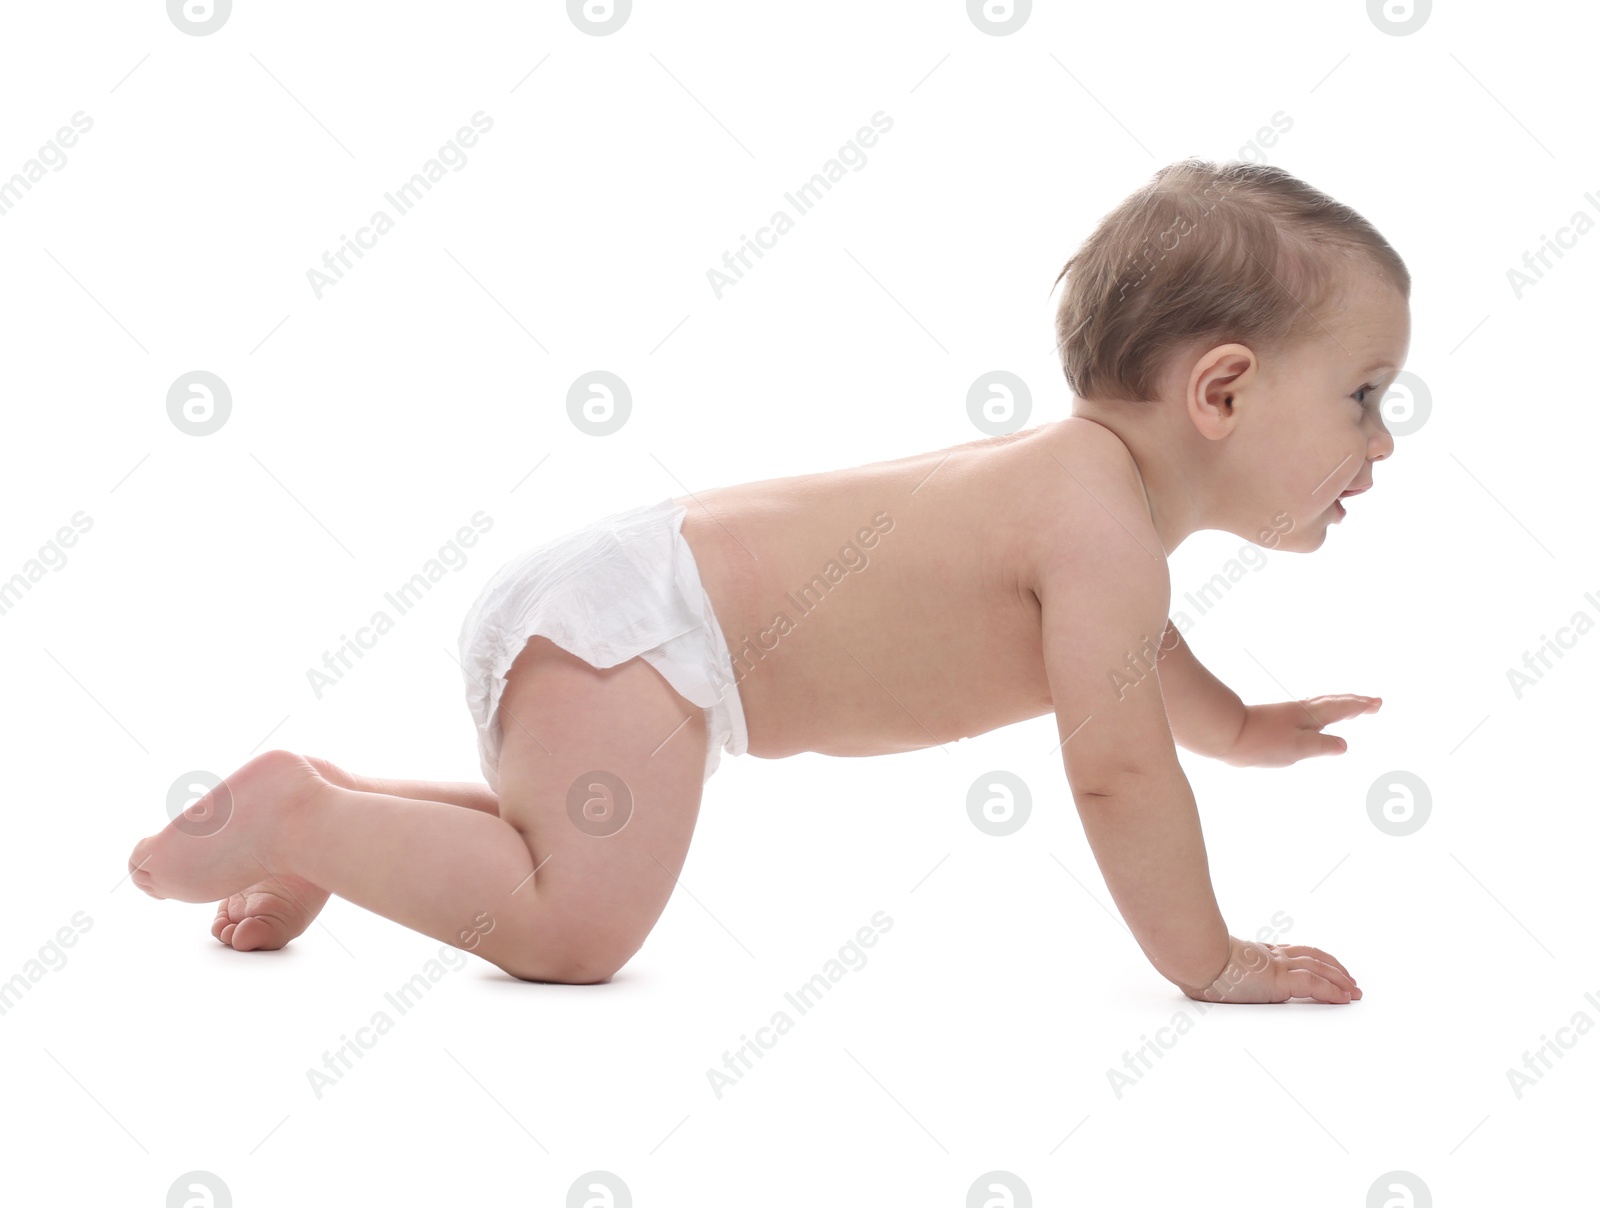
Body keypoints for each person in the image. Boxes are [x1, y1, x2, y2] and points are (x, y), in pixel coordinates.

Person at [130, 157, 1404, 1003]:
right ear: (1222, 389)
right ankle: (307, 820)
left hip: (626, 612)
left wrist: (1239, 728)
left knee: (548, 841)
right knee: (574, 929)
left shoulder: (1088, 507)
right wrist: (1210, 958)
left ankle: (332, 817)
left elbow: (1136, 666)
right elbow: (1117, 766)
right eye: (1362, 395)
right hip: (646, 634)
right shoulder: (1097, 526)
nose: (1380, 440)